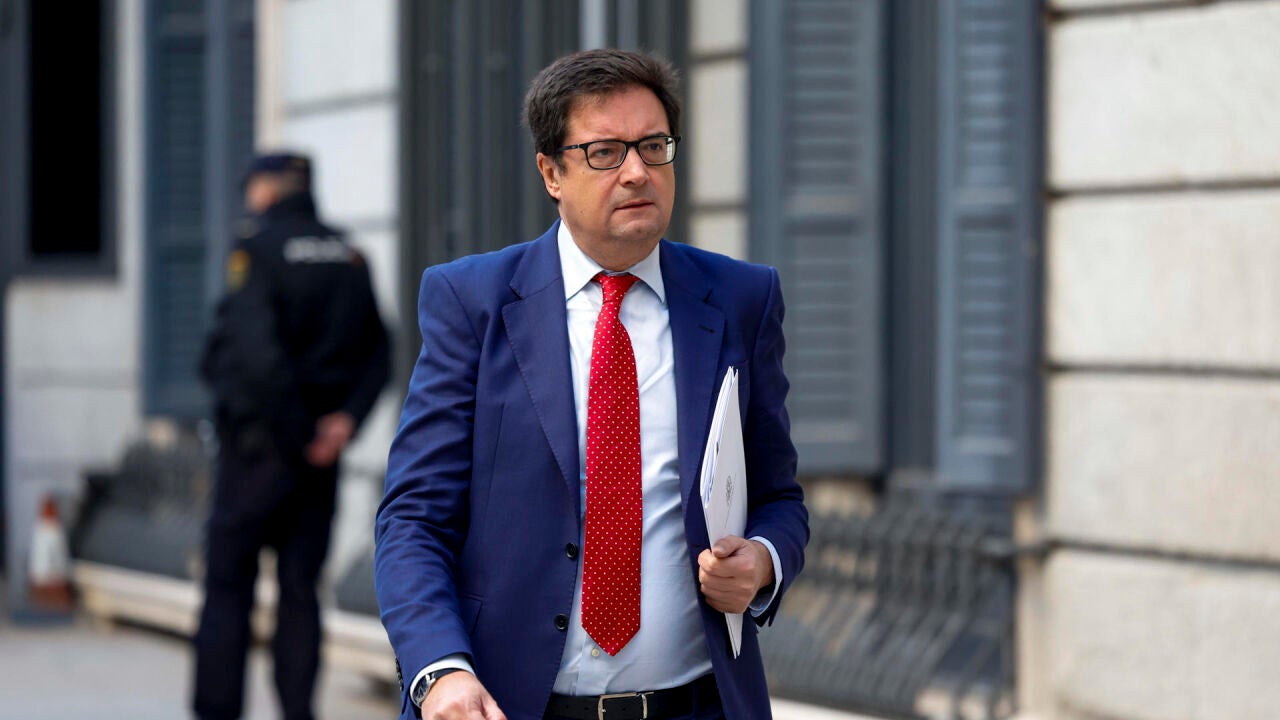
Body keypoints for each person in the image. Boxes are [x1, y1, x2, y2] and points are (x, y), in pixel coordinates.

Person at [375, 49, 808, 720]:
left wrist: (763, 561)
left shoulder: (740, 299)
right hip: (508, 705)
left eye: (654, 147)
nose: (637, 172)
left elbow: (779, 495)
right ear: (552, 172)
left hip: (696, 705)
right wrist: (440, 671)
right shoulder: (473, 301)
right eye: (605, 153)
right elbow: (414, 518)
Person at [194, 152, 391, 720]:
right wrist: (342, 423)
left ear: (269, 189)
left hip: (260, 450)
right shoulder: (348, 254)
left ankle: (218, 711)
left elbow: (256, 355)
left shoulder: (256, 250)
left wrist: (300, 430)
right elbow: (379, 351)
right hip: (320, 457)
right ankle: (299, 711)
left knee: (228, 586)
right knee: (301, 590)